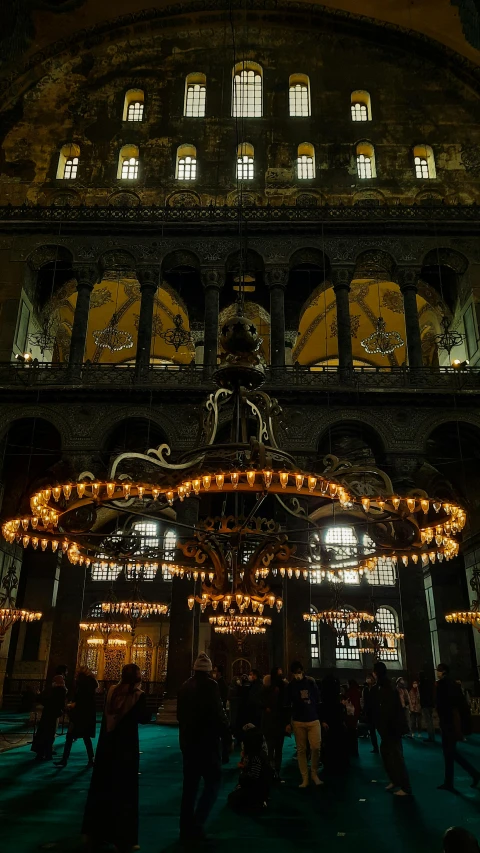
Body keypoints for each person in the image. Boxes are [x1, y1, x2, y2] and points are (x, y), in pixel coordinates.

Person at [82, 663, 151, 852]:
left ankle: (95, 833)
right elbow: (144, 717)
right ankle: (124, 838)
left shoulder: (112, 691)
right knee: (124, 792)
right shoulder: (137, 696)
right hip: (125, 751)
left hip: (106, 749)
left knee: (102, 787)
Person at [177, 653, 230, 843]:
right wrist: (227, 736)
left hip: (188, 744)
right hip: (207, 744)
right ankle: (197, 824)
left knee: (189, 788)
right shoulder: (211, 686)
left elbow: (180, 716)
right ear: (209, 670)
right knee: (213, 783)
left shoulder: (184, 687)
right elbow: (218, 713)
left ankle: (185, 829)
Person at [435, 662, 480, 792]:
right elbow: (462, 706)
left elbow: (443, 706)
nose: (437, 672)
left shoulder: (443, 686)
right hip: (453, 723)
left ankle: (472, 774)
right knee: (450, 753)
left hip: (448, 723)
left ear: (443, 672)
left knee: (450, 753)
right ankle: (451, 781)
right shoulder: (453, 685)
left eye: (439, 670)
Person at [371, 661, 411, 797]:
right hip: (387, 729)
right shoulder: (382, 687)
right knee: (386, 755)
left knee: (397, 757)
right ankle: (395, 780)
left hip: (392, 729)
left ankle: (405, 787)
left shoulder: (387, 688)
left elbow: (389, 710)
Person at [286, 660, 322, 788]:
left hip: (312, 719)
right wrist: (288, 722)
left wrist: (321, 719)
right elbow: (287, 704)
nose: (297, 675)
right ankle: (305, 777)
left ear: (302, 671)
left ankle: (314, 773)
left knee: (316, 747)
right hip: (298, 721)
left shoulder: (311, 682)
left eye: (299, 672)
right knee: (301, 750)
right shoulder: (291, 686)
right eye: (295, 673)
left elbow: (318, 700)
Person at [55, 666, 98, 767]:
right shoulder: (90, 683)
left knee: (70, 737)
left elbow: (82, 699)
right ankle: (90, 759)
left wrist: (74, 704)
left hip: (79, 714)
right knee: (85, 737)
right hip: (86, 714)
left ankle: (65, 759)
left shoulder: (83, 684)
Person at [228, 725, 271, 812]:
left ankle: (258, 803)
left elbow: (253, 777)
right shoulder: (259, 754)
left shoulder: (255, 757)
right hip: (259, 788)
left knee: (233, 798)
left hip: (256, 789)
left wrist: (243, 776)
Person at [31, 665, 68, 761]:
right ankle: (46, 753)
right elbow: (60, 698)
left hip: (48, 711)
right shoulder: (60, 687)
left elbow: (43, 698)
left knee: (44, 731)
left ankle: (41, 753)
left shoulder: (51, 687)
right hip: (53, 712)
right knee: (49, 732)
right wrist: (63, 708)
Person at [261, 667, 289, 779]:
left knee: (278, 750)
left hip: (279, 723)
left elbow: (286, 707)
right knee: (270, 749)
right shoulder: (266, 689)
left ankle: (276, 771)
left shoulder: (283, 689)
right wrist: (265, 707)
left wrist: (287, 723)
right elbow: (257, 700)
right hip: (270, 724)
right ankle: (269, 772)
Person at [319, 674, 349, 775]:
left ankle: (330, 763)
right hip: (336, 722)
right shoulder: (336, 699)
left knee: (329, 743)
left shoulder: (324, 698)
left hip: (330, 722)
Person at [362, 675, 379, 753]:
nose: (368, 680)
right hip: (368, 712)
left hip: (376, 711)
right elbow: (363, 700)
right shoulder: (365, 689)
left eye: (369, 678)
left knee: (380, 730)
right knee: (372, 731)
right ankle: (375, 747)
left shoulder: (376, 688)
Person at [419, 669, 436, 742]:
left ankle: (430, 737)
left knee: (428, 721)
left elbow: (421, 695)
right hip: (430, 704)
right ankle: (432, 736)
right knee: (431, 721)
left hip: (425, 704)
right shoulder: (429, 683)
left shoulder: (421, 684)